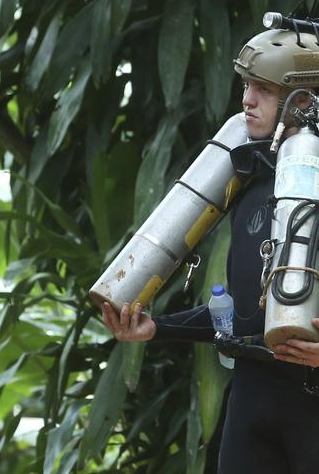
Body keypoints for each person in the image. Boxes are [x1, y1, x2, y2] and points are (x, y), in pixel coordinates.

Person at [101, 28, 319, 474]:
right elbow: (243, 309)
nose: (247, 101)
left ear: (301, 101)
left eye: (263, 90)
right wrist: (155, 328)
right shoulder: (252, 178)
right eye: (246, 86)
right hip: (252, 396)